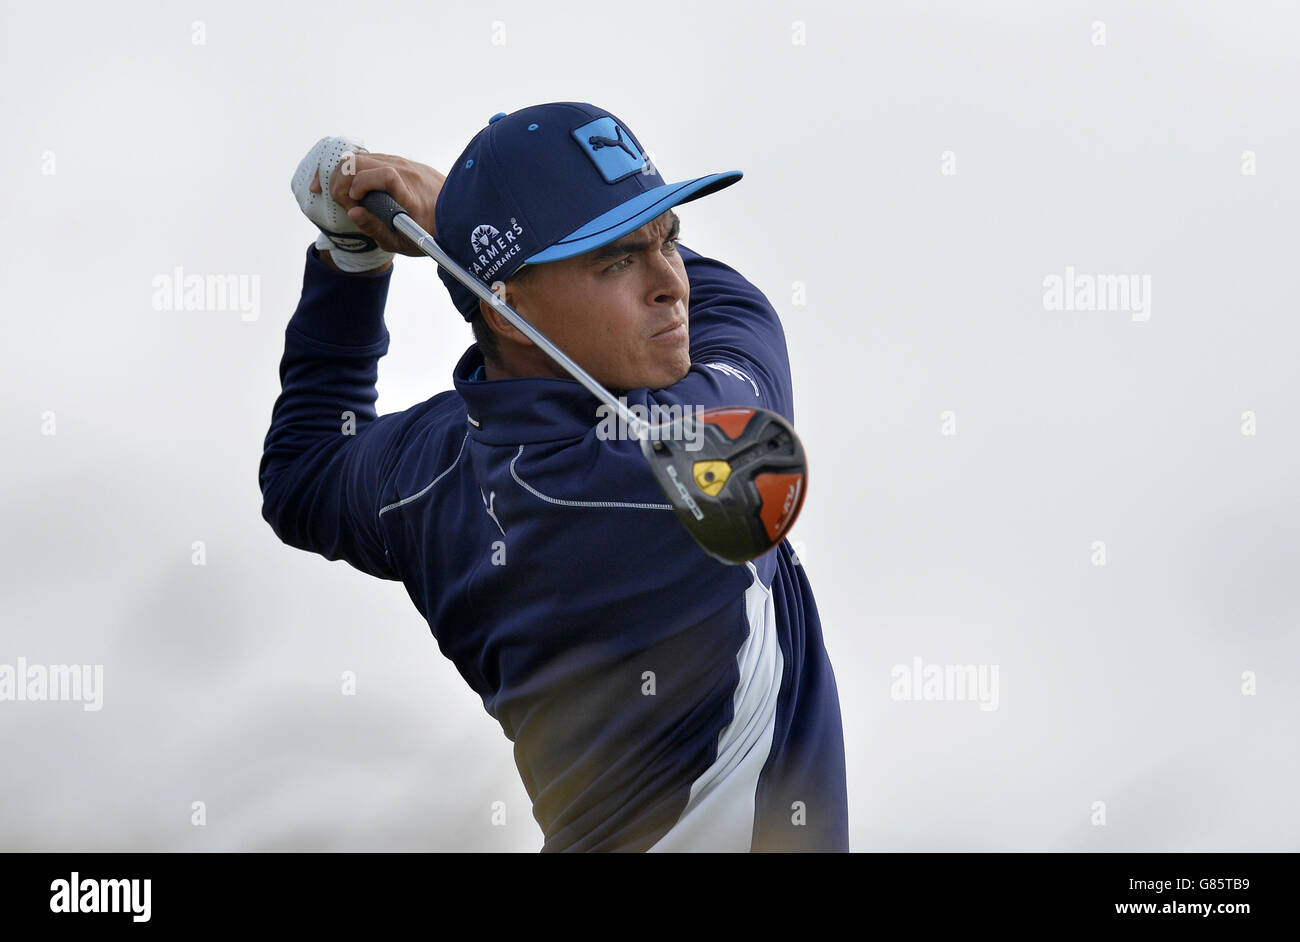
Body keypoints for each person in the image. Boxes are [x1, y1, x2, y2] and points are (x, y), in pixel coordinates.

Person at [261, 101, 848, 852]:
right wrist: (449, 221)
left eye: (670, 239)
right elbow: (741, 314)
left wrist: (354, 263)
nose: (671, 284)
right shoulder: (658, 477)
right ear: (506, 313)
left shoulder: (427, 470)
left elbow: (304, 470)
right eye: (617, 260)